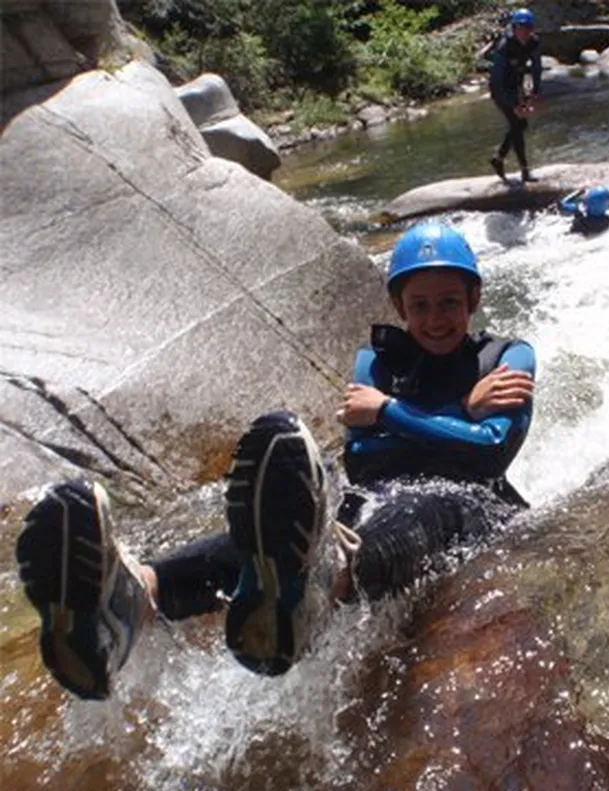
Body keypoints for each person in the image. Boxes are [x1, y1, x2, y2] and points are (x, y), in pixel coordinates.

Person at [16, 221, 536, 700]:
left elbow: (490, 453)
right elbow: (362, 457)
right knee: (282, 539)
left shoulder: (507, 357)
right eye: (420, 305)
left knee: (419, 510)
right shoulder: (376, 362)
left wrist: (389, 412)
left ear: (474, 299)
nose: (435, 318)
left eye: (449, 303)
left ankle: (329, 583)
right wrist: (460, 415)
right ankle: (132, 597)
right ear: (399, 306)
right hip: (376, 492)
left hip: (471, 504)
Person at [489, 8, 543, 184]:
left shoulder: (533, 42)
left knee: (520, 125)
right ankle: (524, 171)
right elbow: (497, 81)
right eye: (521, 27)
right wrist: (513, 104)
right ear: (514, 28)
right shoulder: (504, 47)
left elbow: (536, 67)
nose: (525, 32)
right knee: (518, 124)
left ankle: (499, 158)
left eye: (529, 28)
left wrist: (535, 91)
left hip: (516, 85)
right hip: (500, 89)